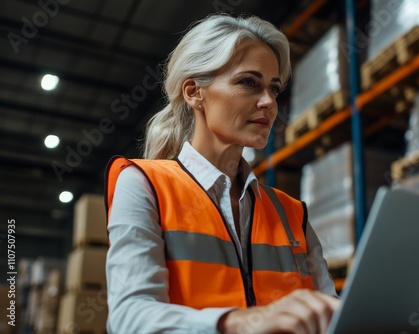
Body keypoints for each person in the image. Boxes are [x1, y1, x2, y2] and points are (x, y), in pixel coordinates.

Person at [105, 13, 340, 334]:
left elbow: (330, 313)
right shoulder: (143, 184)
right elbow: (129, 318)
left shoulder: (291, 213)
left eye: (274, 88)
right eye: (249, 83)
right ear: (194, 92)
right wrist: (240, 322)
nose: (269, 102)